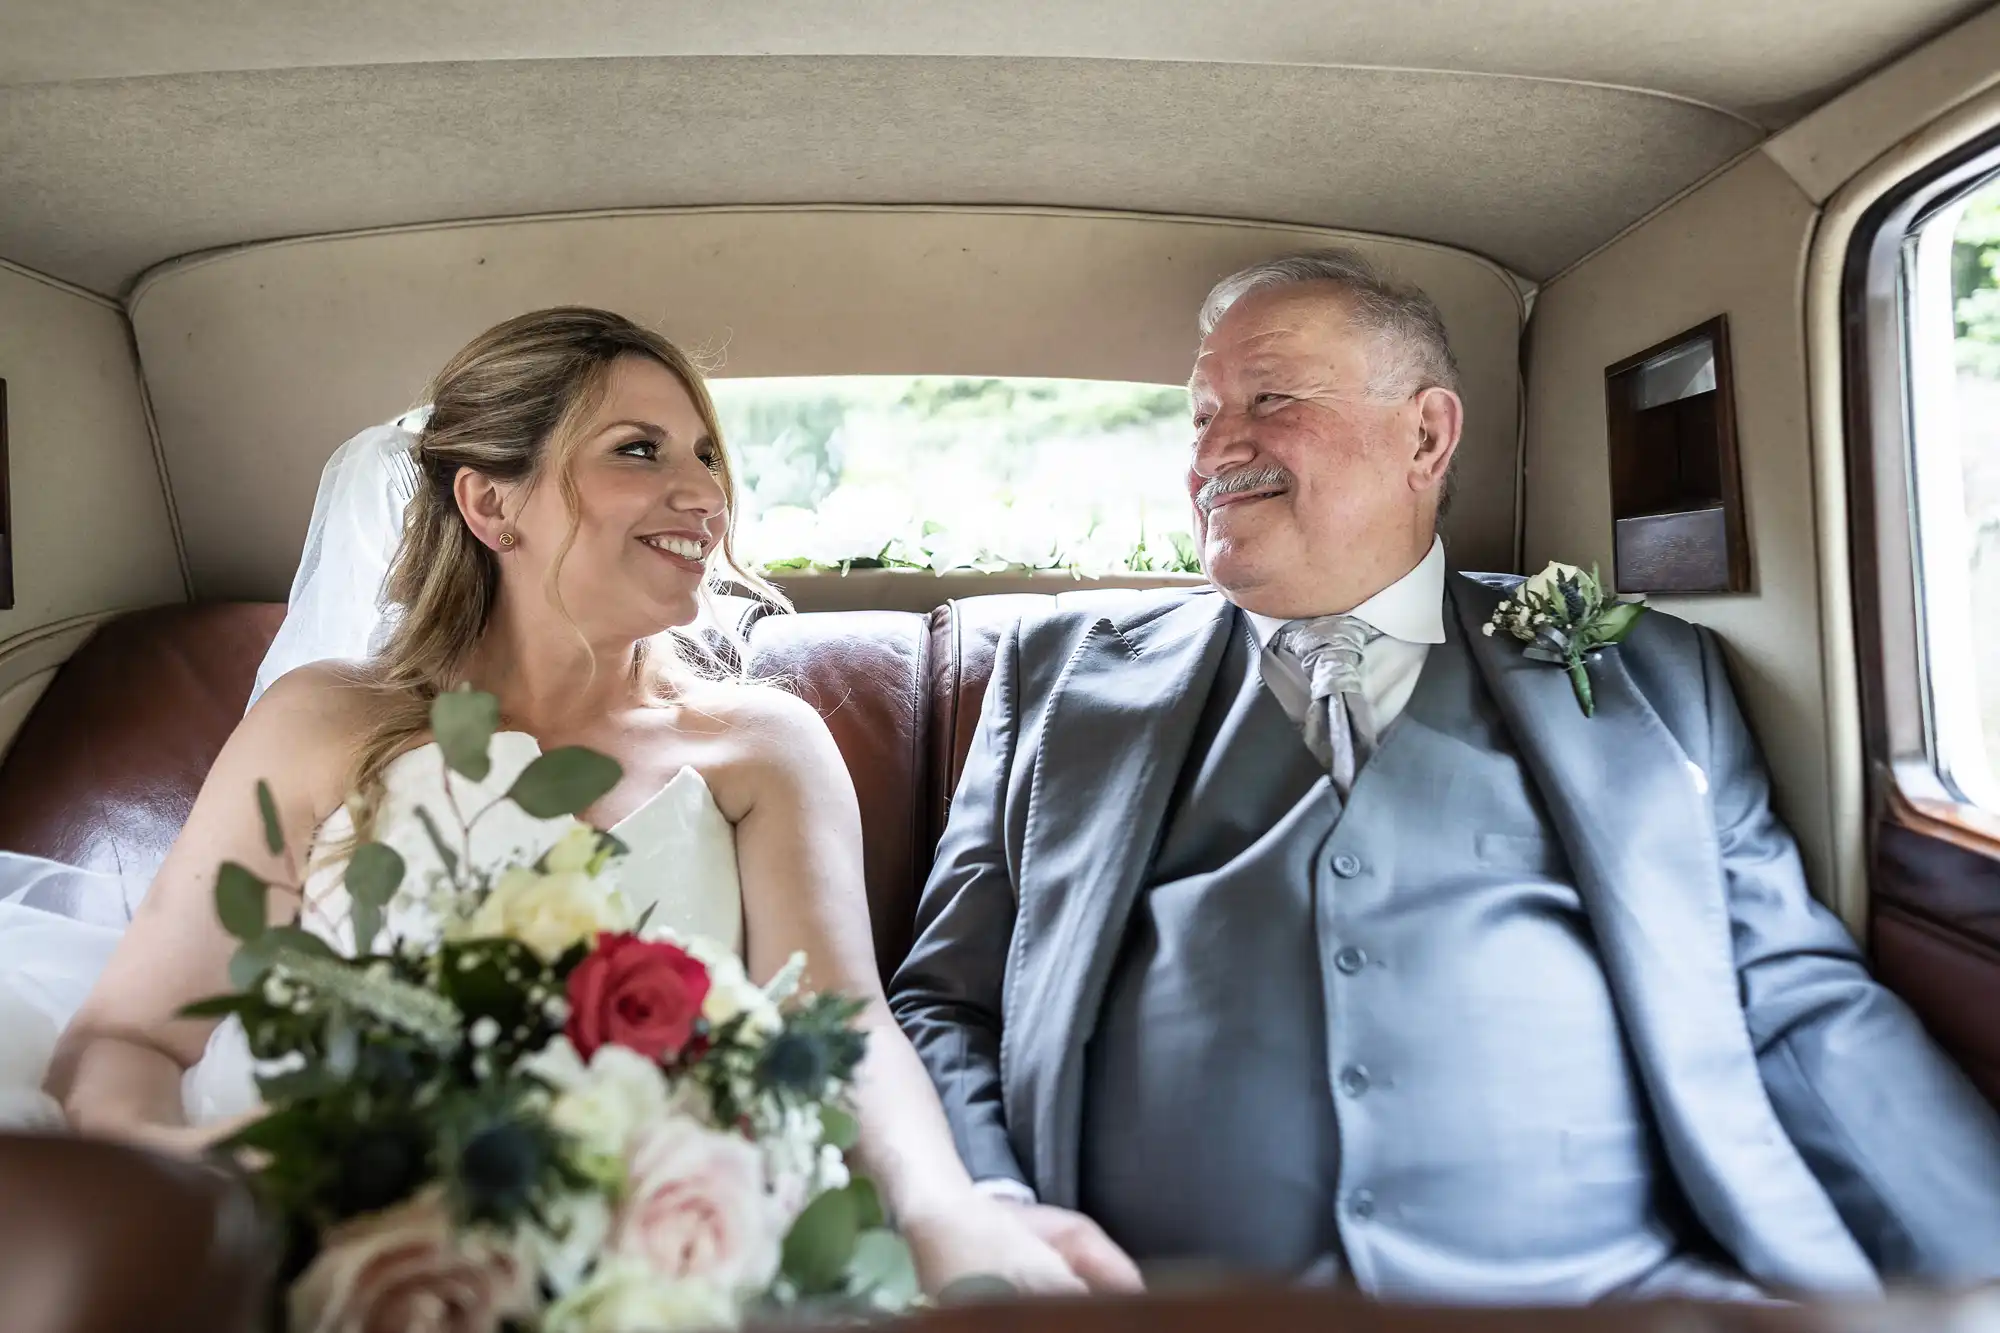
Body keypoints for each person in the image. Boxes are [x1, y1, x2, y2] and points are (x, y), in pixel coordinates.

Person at [889, 250, 2000, 1300]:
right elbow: (944, 1000)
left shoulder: (1653, 681)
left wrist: (1974, 1263)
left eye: (1269, 398)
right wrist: (989, 1209)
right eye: (1199, 414)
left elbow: (1795, 1001)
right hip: (1156, 1305)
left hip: (1608, 1301)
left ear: (1425, 435)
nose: (1215, 447)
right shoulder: (1057, 677)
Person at [45, 306, 1108, 1296]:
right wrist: (208, 1187)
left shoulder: (761, 747)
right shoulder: (323, 724)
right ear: (489, 502)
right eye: (638, 450)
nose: (702, 493)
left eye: (705, 455)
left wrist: (945, 1213)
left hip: (657, 1261)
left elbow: (843, 1030)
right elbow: (124, 1042)